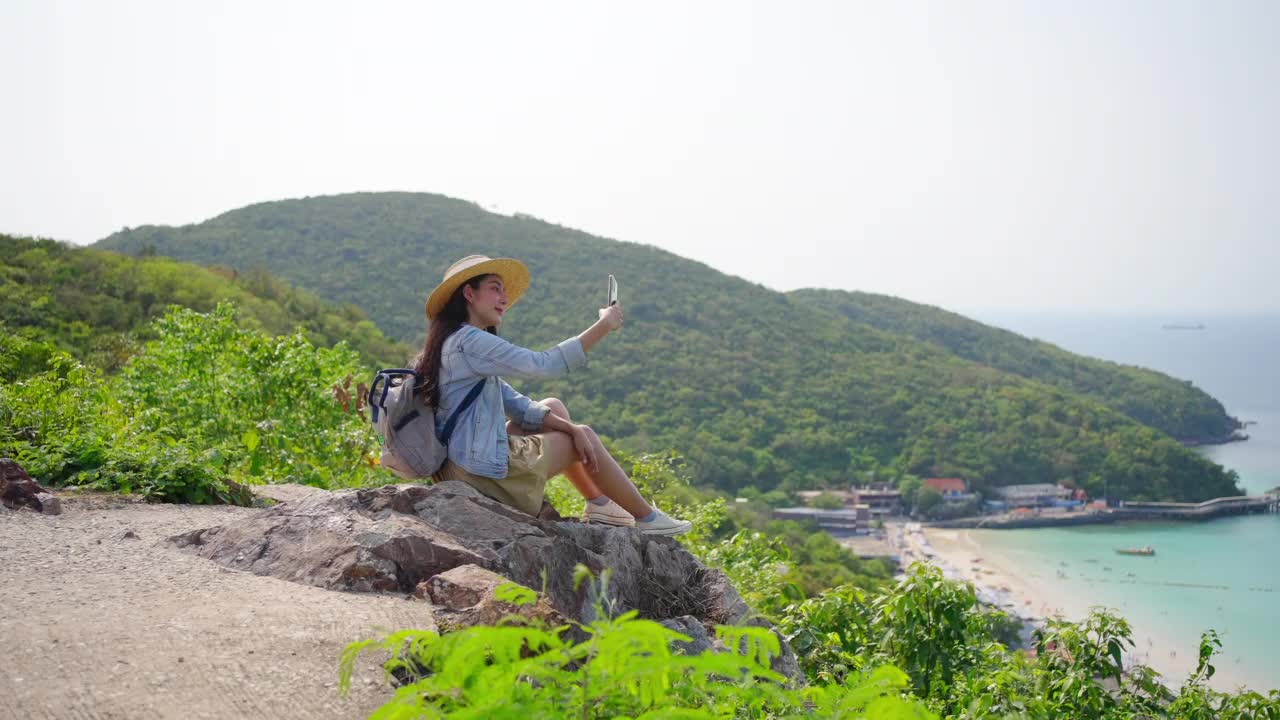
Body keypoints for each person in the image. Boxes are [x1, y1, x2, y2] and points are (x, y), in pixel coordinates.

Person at [413, 255, 692, 536]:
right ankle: (647, 519)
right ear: (469, 293)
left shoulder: (452, 342)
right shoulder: (469, 341)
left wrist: (568, 428)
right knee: (583, 438)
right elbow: (543, 364)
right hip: (477, 473)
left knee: (552, 407)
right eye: (495, 288)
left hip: (462, 464)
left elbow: (516, 405)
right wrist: (604, 325)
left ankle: (600, 504)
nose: (504, 298)